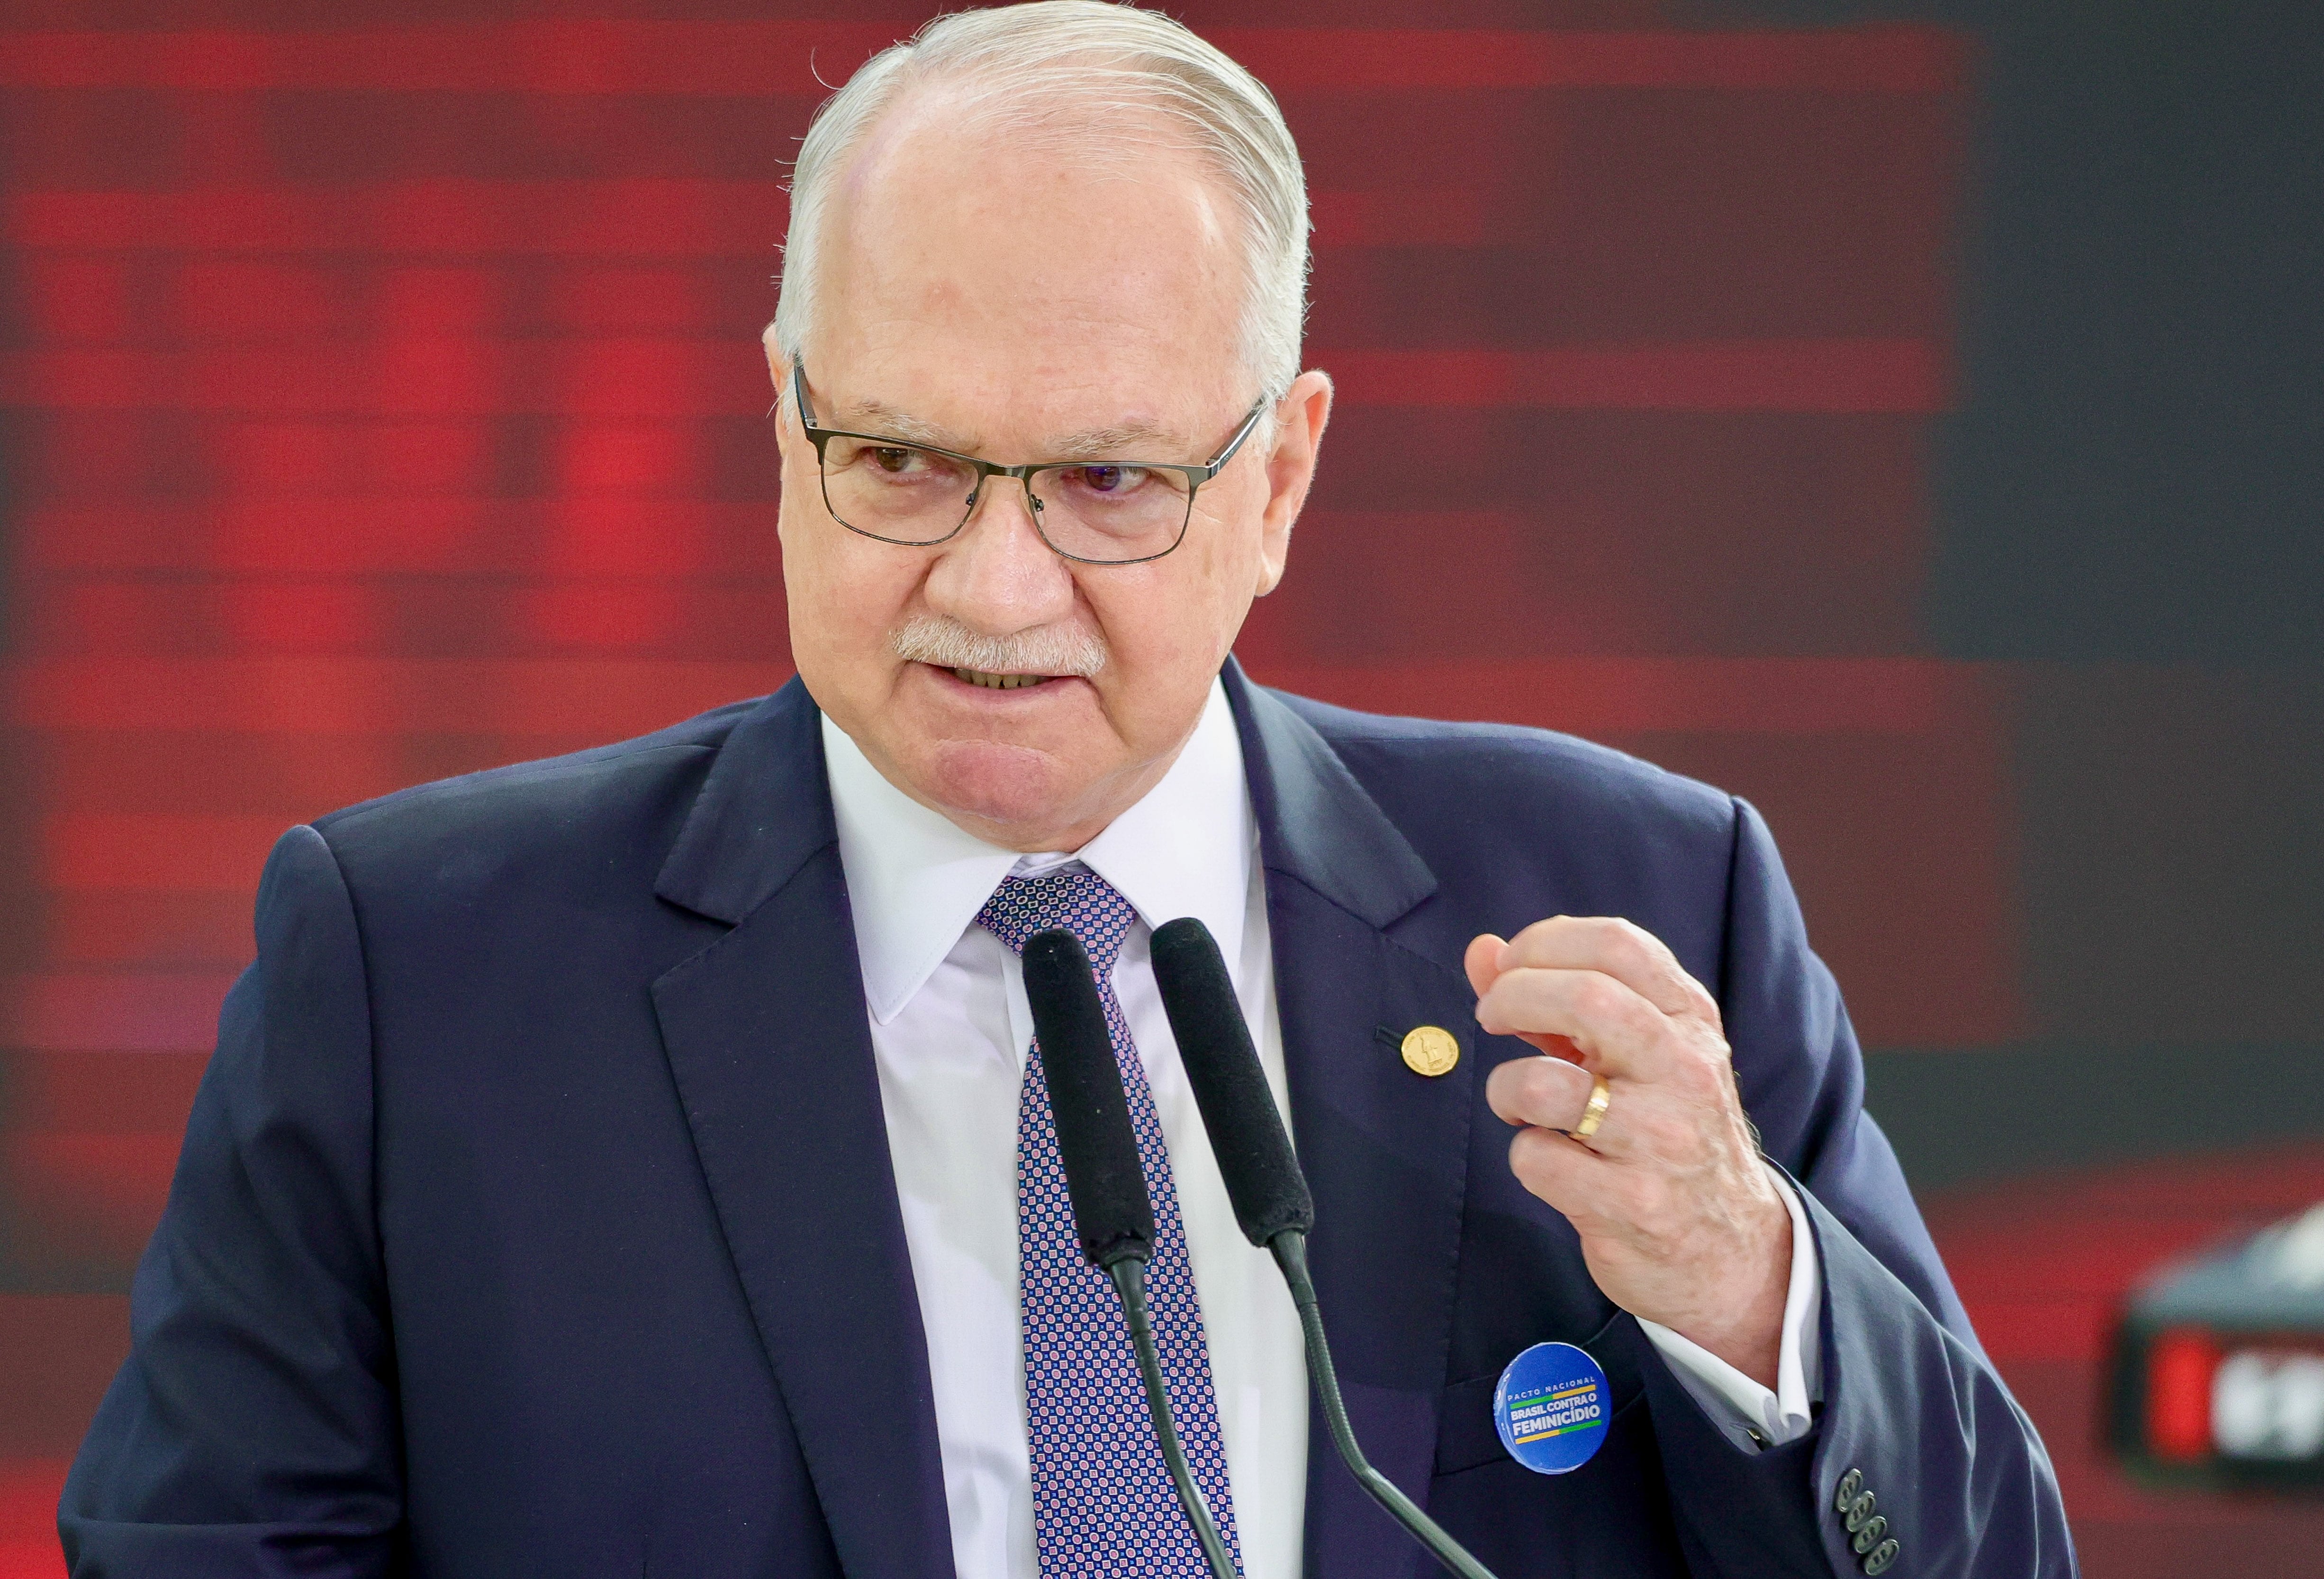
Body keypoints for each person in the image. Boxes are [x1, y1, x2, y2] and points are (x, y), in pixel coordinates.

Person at [60, 5, 2073, 1577]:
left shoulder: (1635, 898)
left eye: (1108, 482)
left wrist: (1745, 1288)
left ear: (1273, 479)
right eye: (902, 462)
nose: (989, 588)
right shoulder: (421, 974)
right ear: (781, 420)